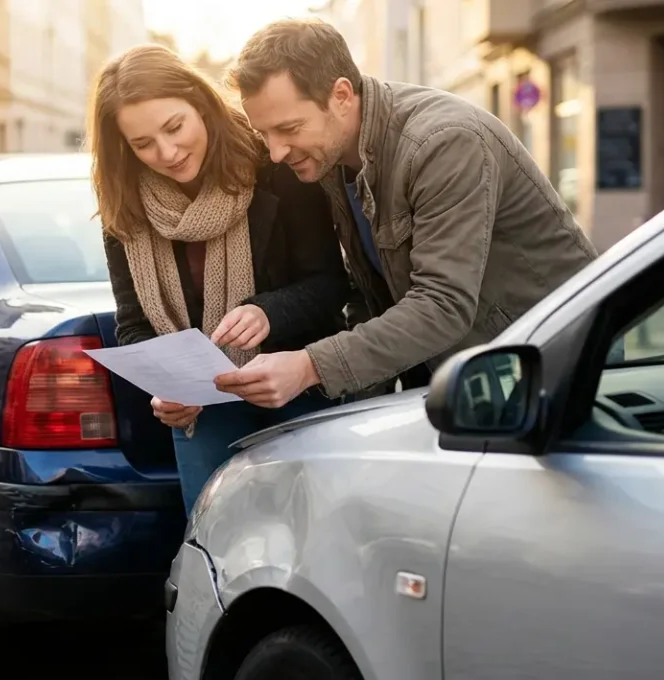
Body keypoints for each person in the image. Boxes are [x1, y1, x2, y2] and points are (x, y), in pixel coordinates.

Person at [212, 18, 599, 408]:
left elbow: (442, 304)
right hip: (474, 377)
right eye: (264, 134)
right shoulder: (331, 159)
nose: (277, 152)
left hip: (555, 367)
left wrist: (310, 366)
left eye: (289, 128)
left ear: (342, 95)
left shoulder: (444, 142)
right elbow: (378, 291)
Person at [89, 44, 351, 514]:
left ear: (200, 103)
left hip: (297, 396)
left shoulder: (274, 167)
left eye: (174, 127)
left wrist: (268, 312)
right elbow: (133, 324)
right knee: (218, 549)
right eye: (142, 144)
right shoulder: (125, 207)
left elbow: (330, 285)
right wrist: (165, 389)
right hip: (203, 416)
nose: (166, 153)